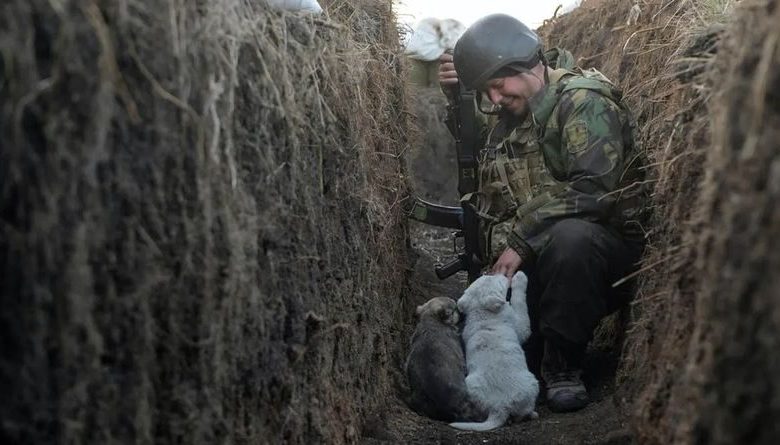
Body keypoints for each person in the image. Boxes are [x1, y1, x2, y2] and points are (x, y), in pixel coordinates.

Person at [438, 14, 649, 413]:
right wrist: (458, 99)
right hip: (540, 269)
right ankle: (540, 346)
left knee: (573, 238)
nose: (495, 100)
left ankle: (564, 367)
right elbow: (485, 157)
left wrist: (521, 238)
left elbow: (594, 191)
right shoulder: (515, 114)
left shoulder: (583, 103)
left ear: (524, 65)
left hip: (597, 260)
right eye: (488, 92)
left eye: (498, 86)